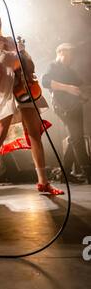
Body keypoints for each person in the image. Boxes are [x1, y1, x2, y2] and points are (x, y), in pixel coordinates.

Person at [0, 11, 64, 196]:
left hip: (24, 91)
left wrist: (22, 52)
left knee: (35, 135)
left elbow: (31, 68)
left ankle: (43, 182)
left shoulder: (10, 40)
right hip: (5, 95)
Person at [42, 43, 91, 184]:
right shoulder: (53, 66)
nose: (72, 57)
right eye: (69, 54)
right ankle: (88, 172)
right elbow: (45, 81)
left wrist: (82, 94)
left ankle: (65, 173)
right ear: (61, 53)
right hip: (63, 107)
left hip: (75, 106)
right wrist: (68, 88)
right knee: (77, 138)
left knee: (75, 137)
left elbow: (81, 86)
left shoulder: (70, 71)